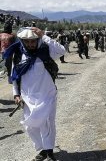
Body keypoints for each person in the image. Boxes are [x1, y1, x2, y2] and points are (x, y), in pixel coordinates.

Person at [3, 27, 65, 161]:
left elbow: (61, 50)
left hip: (47, 94)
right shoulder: (19, 54)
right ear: (22, 41)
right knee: (30, 125)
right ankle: (42, 149)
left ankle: (49, 152)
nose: (30, 44)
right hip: (27, 96)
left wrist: (43, 36)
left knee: (47, 123)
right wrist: (16, 94)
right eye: (27, 41)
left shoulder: (45, 50)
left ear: (37, 40)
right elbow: (15, 76)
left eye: (33, 41)